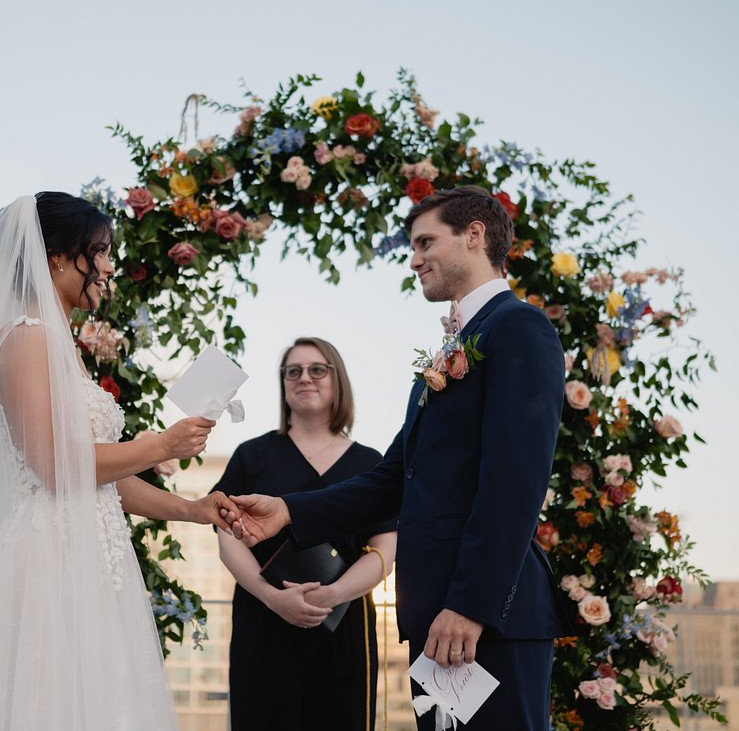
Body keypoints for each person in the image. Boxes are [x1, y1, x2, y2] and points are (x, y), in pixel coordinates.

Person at [225, 186, 572, 730]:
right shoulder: (447, 354)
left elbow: (514, 482)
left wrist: (471, 606)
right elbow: (392, 478)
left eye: (425, 242)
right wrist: (289, 511)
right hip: (437, 618)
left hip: (483, 618)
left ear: (474, 235)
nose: (414, 259)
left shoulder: (519, 329)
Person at [0, 192, 236, 730]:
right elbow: (55, 466)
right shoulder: (23, 339)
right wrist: (163, 445)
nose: (109, 267)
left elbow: (103, 480)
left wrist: (193, 509)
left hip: (93, 557)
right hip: (49, 559)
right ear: (57, 257)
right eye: (101, 251)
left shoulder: (62, 348)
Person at [212, 337, 396, 731]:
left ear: (337, 380)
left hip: (344, 625)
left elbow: (385, 548)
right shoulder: (251, 455)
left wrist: (334, 595)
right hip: (264, 620)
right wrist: (271, 596)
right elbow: (226, 535)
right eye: (292, 371)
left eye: (317, 369)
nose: (304, 378)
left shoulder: (371, 464)